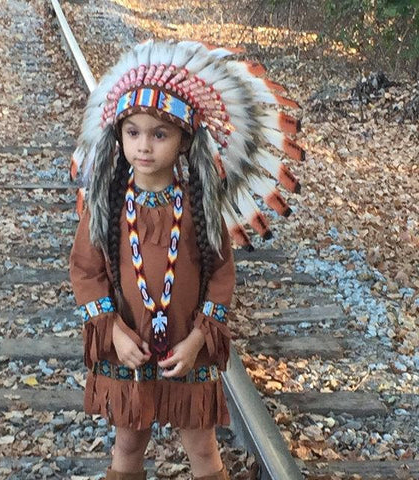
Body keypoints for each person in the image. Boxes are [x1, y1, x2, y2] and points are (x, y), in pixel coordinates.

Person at [69, 40, 303, 480]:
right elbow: (85, 270)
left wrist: (199, 339)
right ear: (118, 135)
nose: (144, 146)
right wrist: (113, 332)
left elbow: (220, 275)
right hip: (128, 353)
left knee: (202, 447)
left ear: (184, 140)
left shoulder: (198, 207)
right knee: (127, 445)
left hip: (187, 353)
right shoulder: (107, 204)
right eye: (132, 131)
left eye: (160, 133)